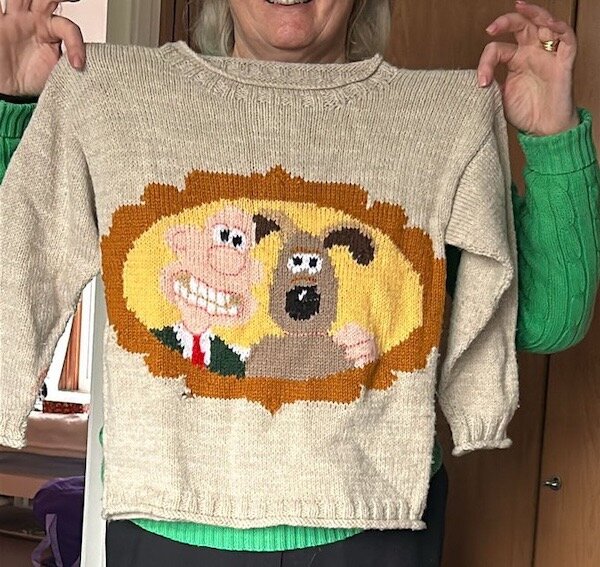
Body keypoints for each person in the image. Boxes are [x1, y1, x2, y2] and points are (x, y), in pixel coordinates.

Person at [0, 1, 598, 566]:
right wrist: (14, 108)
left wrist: (553, 138)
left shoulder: (437, 122)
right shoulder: (115, 98)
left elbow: (543, 321)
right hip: (166, 520)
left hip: (371, 525)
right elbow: (20, 258)